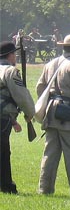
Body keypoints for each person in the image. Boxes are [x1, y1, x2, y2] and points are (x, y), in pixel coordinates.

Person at [36, 34, 70, 196]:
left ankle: (44, 190)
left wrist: (49, 103)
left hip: (51, 114)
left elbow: (40, 88)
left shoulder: (50, 64)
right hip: (69, 115)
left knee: (50, 155)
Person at [0, 42, 35, 193]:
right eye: (14, 54)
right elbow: (21, 96)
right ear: (10, 55)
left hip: (5, 117)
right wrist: (30, 113)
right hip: (3, 117)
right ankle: (7, 186)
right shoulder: (10, 71)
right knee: (3, 152)